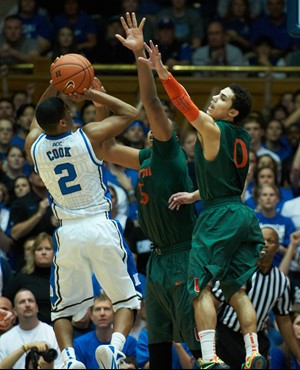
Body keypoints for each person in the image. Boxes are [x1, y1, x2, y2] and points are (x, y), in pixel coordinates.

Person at [144, 40, 267, 368]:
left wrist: (161, 71)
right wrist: (196, 195)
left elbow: (182, 103)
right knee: (236, 290)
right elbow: (229, 184)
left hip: (218, 218)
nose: (215, 98)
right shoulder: (242, 138)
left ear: (233, 112)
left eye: (223, 97)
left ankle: (210, 357)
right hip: (241, 214)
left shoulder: (213, 128)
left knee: (198, 290)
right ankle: (253, 351)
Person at [104, 12, 201, 369]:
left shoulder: (169, 152)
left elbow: (151, 103)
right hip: (157, 260)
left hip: (181, 253)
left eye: (158, 128)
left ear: (168, 135)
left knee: (195, 338)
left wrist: (138, 58)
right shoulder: (145, 156)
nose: (151, 130)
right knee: (158, 338)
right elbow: (107, 149)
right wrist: (98, 99)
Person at [24, 76, 140, 369]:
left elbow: (40, 116)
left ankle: (70, 359)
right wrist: (94, 94)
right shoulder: (87, 136)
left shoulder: (33, 145)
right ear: (63, 123)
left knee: (62, 308)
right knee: (127, 299)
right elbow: (130, 113)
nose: (72, 115)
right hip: (100, 225)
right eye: (68, 114)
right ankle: (114, 350)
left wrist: (53, 84)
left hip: (68, 231)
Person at [213, 226, 300, 368]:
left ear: (277, 247)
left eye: (270, 241)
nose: (265, 243)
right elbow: (214, 302)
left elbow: (283, 320)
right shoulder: (238, 268)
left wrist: (298, 354)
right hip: (227, 336)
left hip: (257, 340)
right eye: (261, 239)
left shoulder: (281, 281)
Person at [0, 289, 62, 369]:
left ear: (37, 308)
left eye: (30, 301)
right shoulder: (5, 339)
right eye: (22, 302)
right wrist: (26, 347)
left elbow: (61, 365)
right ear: (14, 311)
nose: (27, 304)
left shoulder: (53, 333)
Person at [74, 293, 137, 369]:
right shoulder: (79, 344)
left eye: (106, 309)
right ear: (91, 315)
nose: (102, 313)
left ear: (115, 314)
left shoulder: (129, 341)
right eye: (97, 309)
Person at [7, 232, 53, 324]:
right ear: (33, 254)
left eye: (48, 249)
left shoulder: (64, 278)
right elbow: (8, 301)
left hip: (59, 329)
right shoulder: (22, 278)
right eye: (39, 249)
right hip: (28, 327)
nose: (43, 252)